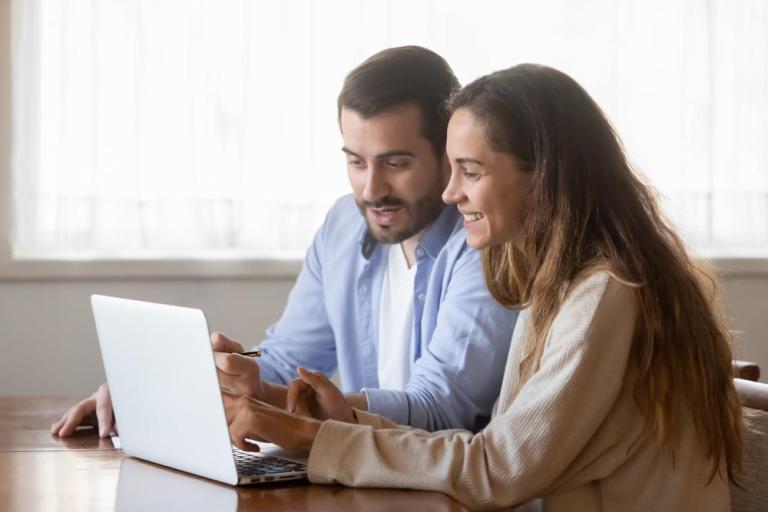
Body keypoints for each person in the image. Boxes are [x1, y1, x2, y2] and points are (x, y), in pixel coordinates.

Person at [219, 63, 743, 511]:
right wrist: (349, 421)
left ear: (545, 176)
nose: (451, 193)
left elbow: (498, 468)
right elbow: (494, 452)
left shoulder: (604, 294)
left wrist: (318, 439)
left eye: (468, 171)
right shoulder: (555, 285)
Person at [51, 46, 519, 439]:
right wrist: (162, 389)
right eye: (356, 162)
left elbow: (439, 410)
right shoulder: (343, 225)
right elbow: (280, 359)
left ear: (448, 157)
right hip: (361, 481)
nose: (370, 189)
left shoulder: (483, 244)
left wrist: (272, 400)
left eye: (395, 164)